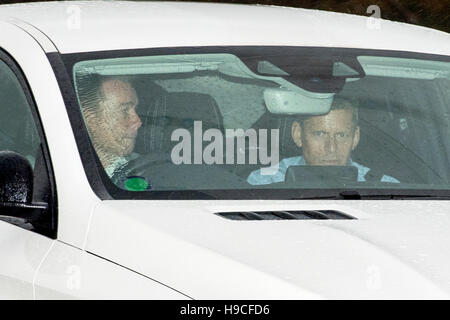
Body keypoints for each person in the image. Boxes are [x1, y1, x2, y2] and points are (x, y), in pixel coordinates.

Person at [247, 96, 399, 185]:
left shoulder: (384, 187)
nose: (331, 148)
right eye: (320, 134)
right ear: (298, 134)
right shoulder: (267, 183)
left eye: (341, 135)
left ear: (355, 137)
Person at [79, 76, 142, 178]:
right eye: (124, 110)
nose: (138, 122)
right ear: (91, 120)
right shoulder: (63, 171)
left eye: (136, 109)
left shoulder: (146, 169)